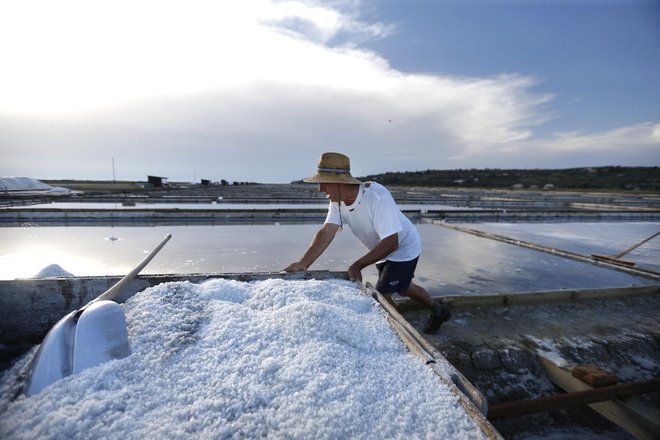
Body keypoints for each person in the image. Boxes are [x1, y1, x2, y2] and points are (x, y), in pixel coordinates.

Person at [284, 152, 451, 334]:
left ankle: (398, 337)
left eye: (324, 183)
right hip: (382, 250)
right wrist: (303, 263)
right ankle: (439, 312)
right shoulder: (337, 202)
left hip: (403, 248)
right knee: (403, 287)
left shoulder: (376, 197)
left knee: (382, 295)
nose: (321, 189)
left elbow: (392, 242)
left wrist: (357, 265)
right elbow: (326, 232)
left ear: (340, 182)